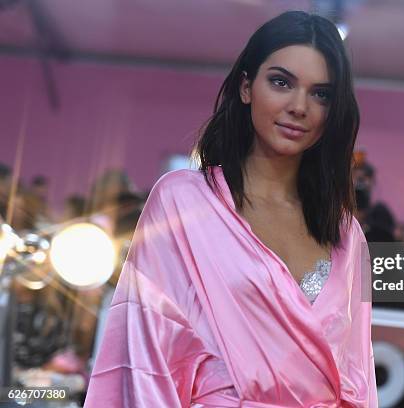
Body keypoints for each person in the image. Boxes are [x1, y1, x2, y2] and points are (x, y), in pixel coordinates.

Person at [84, 11, 377, 407]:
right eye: (280, 82)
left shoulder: (347, 235)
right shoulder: (182, 201)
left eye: (320, 93)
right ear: (245, 87)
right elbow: (144, 355)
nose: (299, 106)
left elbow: (359, 375)